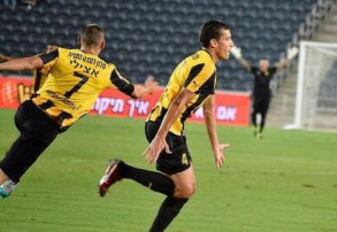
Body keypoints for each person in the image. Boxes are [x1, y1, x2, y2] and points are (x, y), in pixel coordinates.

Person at [98, 20, 233, 232]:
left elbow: (208, 109)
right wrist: (161, 137)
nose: (231, 44)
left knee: (182, 189)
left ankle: (122, 171)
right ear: (214, 43)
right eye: (228, 39)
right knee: (186, 189)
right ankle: (121, 170)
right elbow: (179, 101)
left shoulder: (201, 62)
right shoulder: (206, 66)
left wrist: (215, 146)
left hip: (162, 125)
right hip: (167, 127)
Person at [0, 24, 158, 199]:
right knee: (9, 167)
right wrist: (148, 89)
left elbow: (29, 63)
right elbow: (135, 92)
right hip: (48, 124)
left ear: (79, 40)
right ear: (102, 44)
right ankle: (9, 179)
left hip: (26, 111)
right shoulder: (107, 71)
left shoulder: (61, 53)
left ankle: (12, 179)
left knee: (23, 151)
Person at [231, 46, 297, 138]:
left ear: (267, 65)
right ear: (260, 64)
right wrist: (238, 56)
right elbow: (246, 65)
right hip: (257, 95)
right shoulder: (256, 71)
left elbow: (282, 66)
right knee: (253, 113)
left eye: (265, 64)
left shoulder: (270, 71)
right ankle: (255, 128)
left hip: (266, 96)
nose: (263, 65)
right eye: (262, 63)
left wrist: (289, 57)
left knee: (263, 115)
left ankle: (260, 133)